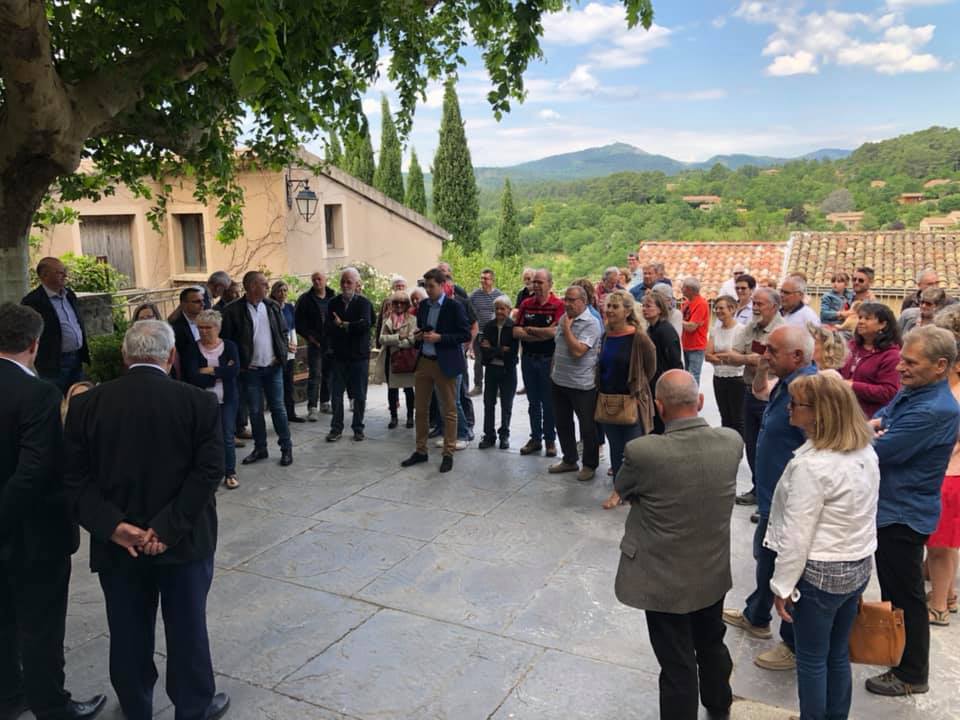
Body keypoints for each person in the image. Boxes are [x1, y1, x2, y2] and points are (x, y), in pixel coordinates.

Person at [63, 320, 228, 720]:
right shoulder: (199, 402)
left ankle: (137, 707)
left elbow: (72, 478)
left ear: (124, 357)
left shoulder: (87, 404)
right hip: (184, 541)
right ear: (171, 357)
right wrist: (167, 528)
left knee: (128, 632)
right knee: (188, 630)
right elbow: (209, 471)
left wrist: (113, 526)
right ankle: (193, 707)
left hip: (119, 546)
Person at [614, 370, 743, 720]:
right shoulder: (731, 441)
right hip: (711, 570)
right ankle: (720, 704)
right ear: (699, 401)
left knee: (677, 662)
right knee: (711, 642)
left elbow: (623, 487)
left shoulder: (643, 451)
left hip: (663, 578)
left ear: (658, 407)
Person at [0, 303, 106, 720]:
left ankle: (8, 695)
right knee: (41, 625)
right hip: (32, 536)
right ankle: (52, 705)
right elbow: (34, 470)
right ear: (34, 343)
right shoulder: (39, 393)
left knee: (3, 620)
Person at [767, 371, 880, 720]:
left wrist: (782, 586)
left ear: (819, 412)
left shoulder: (812, 467)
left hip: (819, 574)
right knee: (836, 655)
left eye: (796, 404)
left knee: (812, 659)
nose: (789, 409)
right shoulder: (865, 452)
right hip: (857, 565)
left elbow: (797, 534)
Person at [865, 325, 960, 697]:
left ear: (940, 366)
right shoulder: (916, 392)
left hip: (903, 513)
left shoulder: (935, 409)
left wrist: (877, 432)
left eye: (909, 362)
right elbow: (882, 419)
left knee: (906, 596)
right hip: (893, 507)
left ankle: (911, 673)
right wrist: (878, 429)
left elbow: (882, 449)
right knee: (896, 590)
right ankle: (899, 658)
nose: (900, 368)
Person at [723, 326, 817, 673]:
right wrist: (763, 367)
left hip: (790, 501)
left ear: (796, 356)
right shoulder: (790, 381)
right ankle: (757, 615)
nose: (766, 354)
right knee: (765, 558)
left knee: (787, 567)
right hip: (772, 495)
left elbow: (817, 444)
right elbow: (762, 397)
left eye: (773, 351)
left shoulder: (808, 391)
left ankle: (792, 644)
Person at [718, 287, 784, 507]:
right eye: (753, 303)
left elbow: (770, 362)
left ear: (774, 307)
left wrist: (747, 358)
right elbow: (731, 356)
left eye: (759, 304)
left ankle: (771, 497)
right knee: (753, 444)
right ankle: (758, 490)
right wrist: (753, 359)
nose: (754, 308)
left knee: (771, 447)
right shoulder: (750, 327)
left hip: (772, 396)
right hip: (749, 391)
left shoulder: (782, 331)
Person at [401, 268, 471, 473]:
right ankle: (420, 450)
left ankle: (448, 453)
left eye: (432, 286)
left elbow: (464, 333)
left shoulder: (454, 307)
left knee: (448, 410)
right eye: (426, 286)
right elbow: (423, 327)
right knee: (420, 409)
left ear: (442, 286)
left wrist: (440, 338)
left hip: (445, 362)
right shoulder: (422, 306)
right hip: (424, 360)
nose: (428, 290)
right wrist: (420, 335)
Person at [220, 270, 293, 467]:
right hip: (250, 370)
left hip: (273, 366)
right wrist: (239, 363)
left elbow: (283, 331)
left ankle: (286, 448)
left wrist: (281, 353)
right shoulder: (232, 310)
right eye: (264, 284)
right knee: (255, 411)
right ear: (252, 286)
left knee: (278, 408)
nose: (268, 287)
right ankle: (260, 448)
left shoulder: (272, 306)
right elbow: (226, 341)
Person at [599, 291, 657, 509]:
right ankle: (619, 488)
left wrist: (639, 385)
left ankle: (629, 490)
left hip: (631, 400)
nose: (610, 311)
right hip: (608, 399)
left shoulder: (638, 337)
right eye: (608, 307)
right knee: (615, 448)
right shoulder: (606, 334)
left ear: (627, 311)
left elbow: (650, 366)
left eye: (615, 307)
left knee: (632, 450)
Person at [549, 285, 603, 483]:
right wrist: (553, 371)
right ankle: (569, 459)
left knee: (587, 426)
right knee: (562, 422)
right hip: (559, 380)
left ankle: (589, 465)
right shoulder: (566, 317)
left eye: (571, 300)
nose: (567, 304)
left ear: (584, 301)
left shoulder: (592, 322)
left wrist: (567, 329)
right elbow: (558, 347)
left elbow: (578, 351)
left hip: (582, 384)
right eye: (566, 299)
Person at [927, 305, 960, 626]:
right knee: (947, 545)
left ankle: (938, 606)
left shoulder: (954, 395)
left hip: (949, 476)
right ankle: (947, 595)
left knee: (940, 548)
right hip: (950, 474)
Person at [183, 310, 241, 490]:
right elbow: (193, 376)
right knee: (204, 438)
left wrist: (209, 370)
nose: (203, 331)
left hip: (227, 399)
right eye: (200, 327)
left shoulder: (230, 346)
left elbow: (234, 371)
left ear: (217, 328)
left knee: (227, 436)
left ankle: (230, 472)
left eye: (208, 327)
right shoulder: (192, 348)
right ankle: (208, 474)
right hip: (203, 401)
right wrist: (221, 370)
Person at [514, 269, 565, 457]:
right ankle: (535, 438)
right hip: (528, 360)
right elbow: (515, 332)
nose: (535, 285)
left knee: (549, 402)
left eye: (540, 282)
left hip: (548, 361)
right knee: (533, 402)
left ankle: (550, 440)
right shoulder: (526, 304)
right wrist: (542, 333)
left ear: (550, 284)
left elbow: (555, 333)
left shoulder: (559, 305)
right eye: (534, 282)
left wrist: (530, 332)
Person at [21, 257, 89, 393]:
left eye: (65, 271)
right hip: (53, 363)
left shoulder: (69, 294)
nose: (65, 275)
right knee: (55, 400)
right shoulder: (33, 301)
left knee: (79, 399)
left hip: (76, 358)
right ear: (44, 275)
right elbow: (29, 332)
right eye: (60, 272)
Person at [325, 267, 373, 442]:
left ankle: (358, 427)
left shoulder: (364, 304)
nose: (345, 285)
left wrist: (343, 325)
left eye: (349, 282)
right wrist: (349, 326)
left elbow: (365, 325)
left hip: (359, 357)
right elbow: (328, 327)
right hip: (339, 356)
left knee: (360, 395)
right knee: (336, 394)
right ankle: (336, 428)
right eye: (343, 281)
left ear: (356, 284)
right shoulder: (333, 303)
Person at [839, 302, 901, 419]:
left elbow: (888, 391)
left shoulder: (891, 355)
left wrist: (852, 386)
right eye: (860, 317)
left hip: (868, 418)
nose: (861, 321)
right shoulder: (852, 345)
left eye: (867, 318)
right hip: (844, 412)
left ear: (882, 324)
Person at [478, 296, 520, 450]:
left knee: (506, 404)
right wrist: (501, 349)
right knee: (489, 403)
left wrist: (493, 349)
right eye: (497, 308)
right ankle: (489, 435)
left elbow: (513, 353)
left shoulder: (513, 327)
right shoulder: (489, 326)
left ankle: (504, 435)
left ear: (509, 310)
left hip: (508, 370)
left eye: (503, 308)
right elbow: (484, 351)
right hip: (491, 370)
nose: (499, 311)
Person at [295, 271, 336, 420]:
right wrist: (311, 338)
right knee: (315, 374)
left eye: (319, 279)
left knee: (328, 374)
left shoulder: (333, 296)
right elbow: (299, 323)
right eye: (314, 280)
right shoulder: (305, 299)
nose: (317, 282)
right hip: (315, 343)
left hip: (330, 342)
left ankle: (325, 402)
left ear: (325, 280)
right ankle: (312, 407)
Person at [640, 291, 683, 434]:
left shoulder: (665, 330)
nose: (644, 309)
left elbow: (675, 361)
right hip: (653, 384)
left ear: (659, 309)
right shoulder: (651, 329)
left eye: (649, 306)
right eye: (643, 306)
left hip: (664, 385)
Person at [374, 291, 417, 429]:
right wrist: (399, 337)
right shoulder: (388, 318)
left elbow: (412, 340)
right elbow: (381, 339)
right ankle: (393, 417)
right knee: (392, 389)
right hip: (390, 359)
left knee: (409, 389)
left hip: (406, 359)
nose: (399, 305)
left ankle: (410, 417)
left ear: (406, 305)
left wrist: (393, 341)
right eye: (396, 302)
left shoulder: (412, 319)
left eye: (402, 303)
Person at [706, 295, 744, 434]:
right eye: (716, 308)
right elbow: (707, 355)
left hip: (737, 379)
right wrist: (726, 357)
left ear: (732, 309)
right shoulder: (715, 330)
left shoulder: (741, 330)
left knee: (738, 418)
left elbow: (736, 356)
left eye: (721, 308)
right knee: (725, 417)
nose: (718, 311)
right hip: (719, 378)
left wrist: (719, 356)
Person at [269, 280, 303, 423]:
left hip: (290, 351)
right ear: (274, 293)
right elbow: (273, 332)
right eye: (279, 290)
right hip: (278, 351)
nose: (282, 293)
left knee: (289, 384)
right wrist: (285, 345)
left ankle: (291, 413)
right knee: (278, 384)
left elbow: (293, 327)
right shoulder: (270, 308)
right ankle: (280, 415)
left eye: (284, 290)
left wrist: (293, 345)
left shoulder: (289, 307)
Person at [468, 269, 504, 396]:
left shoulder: (499, 295)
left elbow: (505, 313)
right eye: (482, 278)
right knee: (478, 361)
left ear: (492, 280)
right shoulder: (474, 295)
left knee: (495, 361)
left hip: (494, 334)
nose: (483, 281)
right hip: (479, 333)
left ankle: (497, 387)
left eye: (486, 278)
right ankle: (478, 386)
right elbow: (469, 312)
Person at [680, 277, 709, 385]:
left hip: (696, 346)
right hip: (686, 345)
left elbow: (691, 327)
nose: (681, 289)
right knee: (687, 375)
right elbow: (688, 324)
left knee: (693, 376)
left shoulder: (701, 303)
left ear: (689, 289)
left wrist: (678, 319)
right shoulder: (687, 303)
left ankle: (693, 400)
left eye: (683, 287)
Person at [171, 286, 204, 377]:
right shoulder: (175, 327)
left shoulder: (208, 321)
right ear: (184, 304)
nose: (202, 304)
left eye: (202, 300)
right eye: (197, 301)